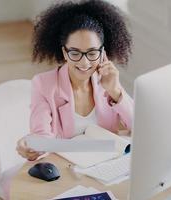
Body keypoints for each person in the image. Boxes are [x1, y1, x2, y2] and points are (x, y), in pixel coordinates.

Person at [16, 0, 133, 161]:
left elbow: (139, 128)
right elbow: (42, 136)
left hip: (106, 165)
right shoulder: (43, 85)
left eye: (92, 53)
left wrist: (115, 91)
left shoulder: (108, 81)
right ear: (64, 52)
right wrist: (32, 145)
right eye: (75, 53)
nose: (84, 63)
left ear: (103, 53)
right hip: (66, 169)